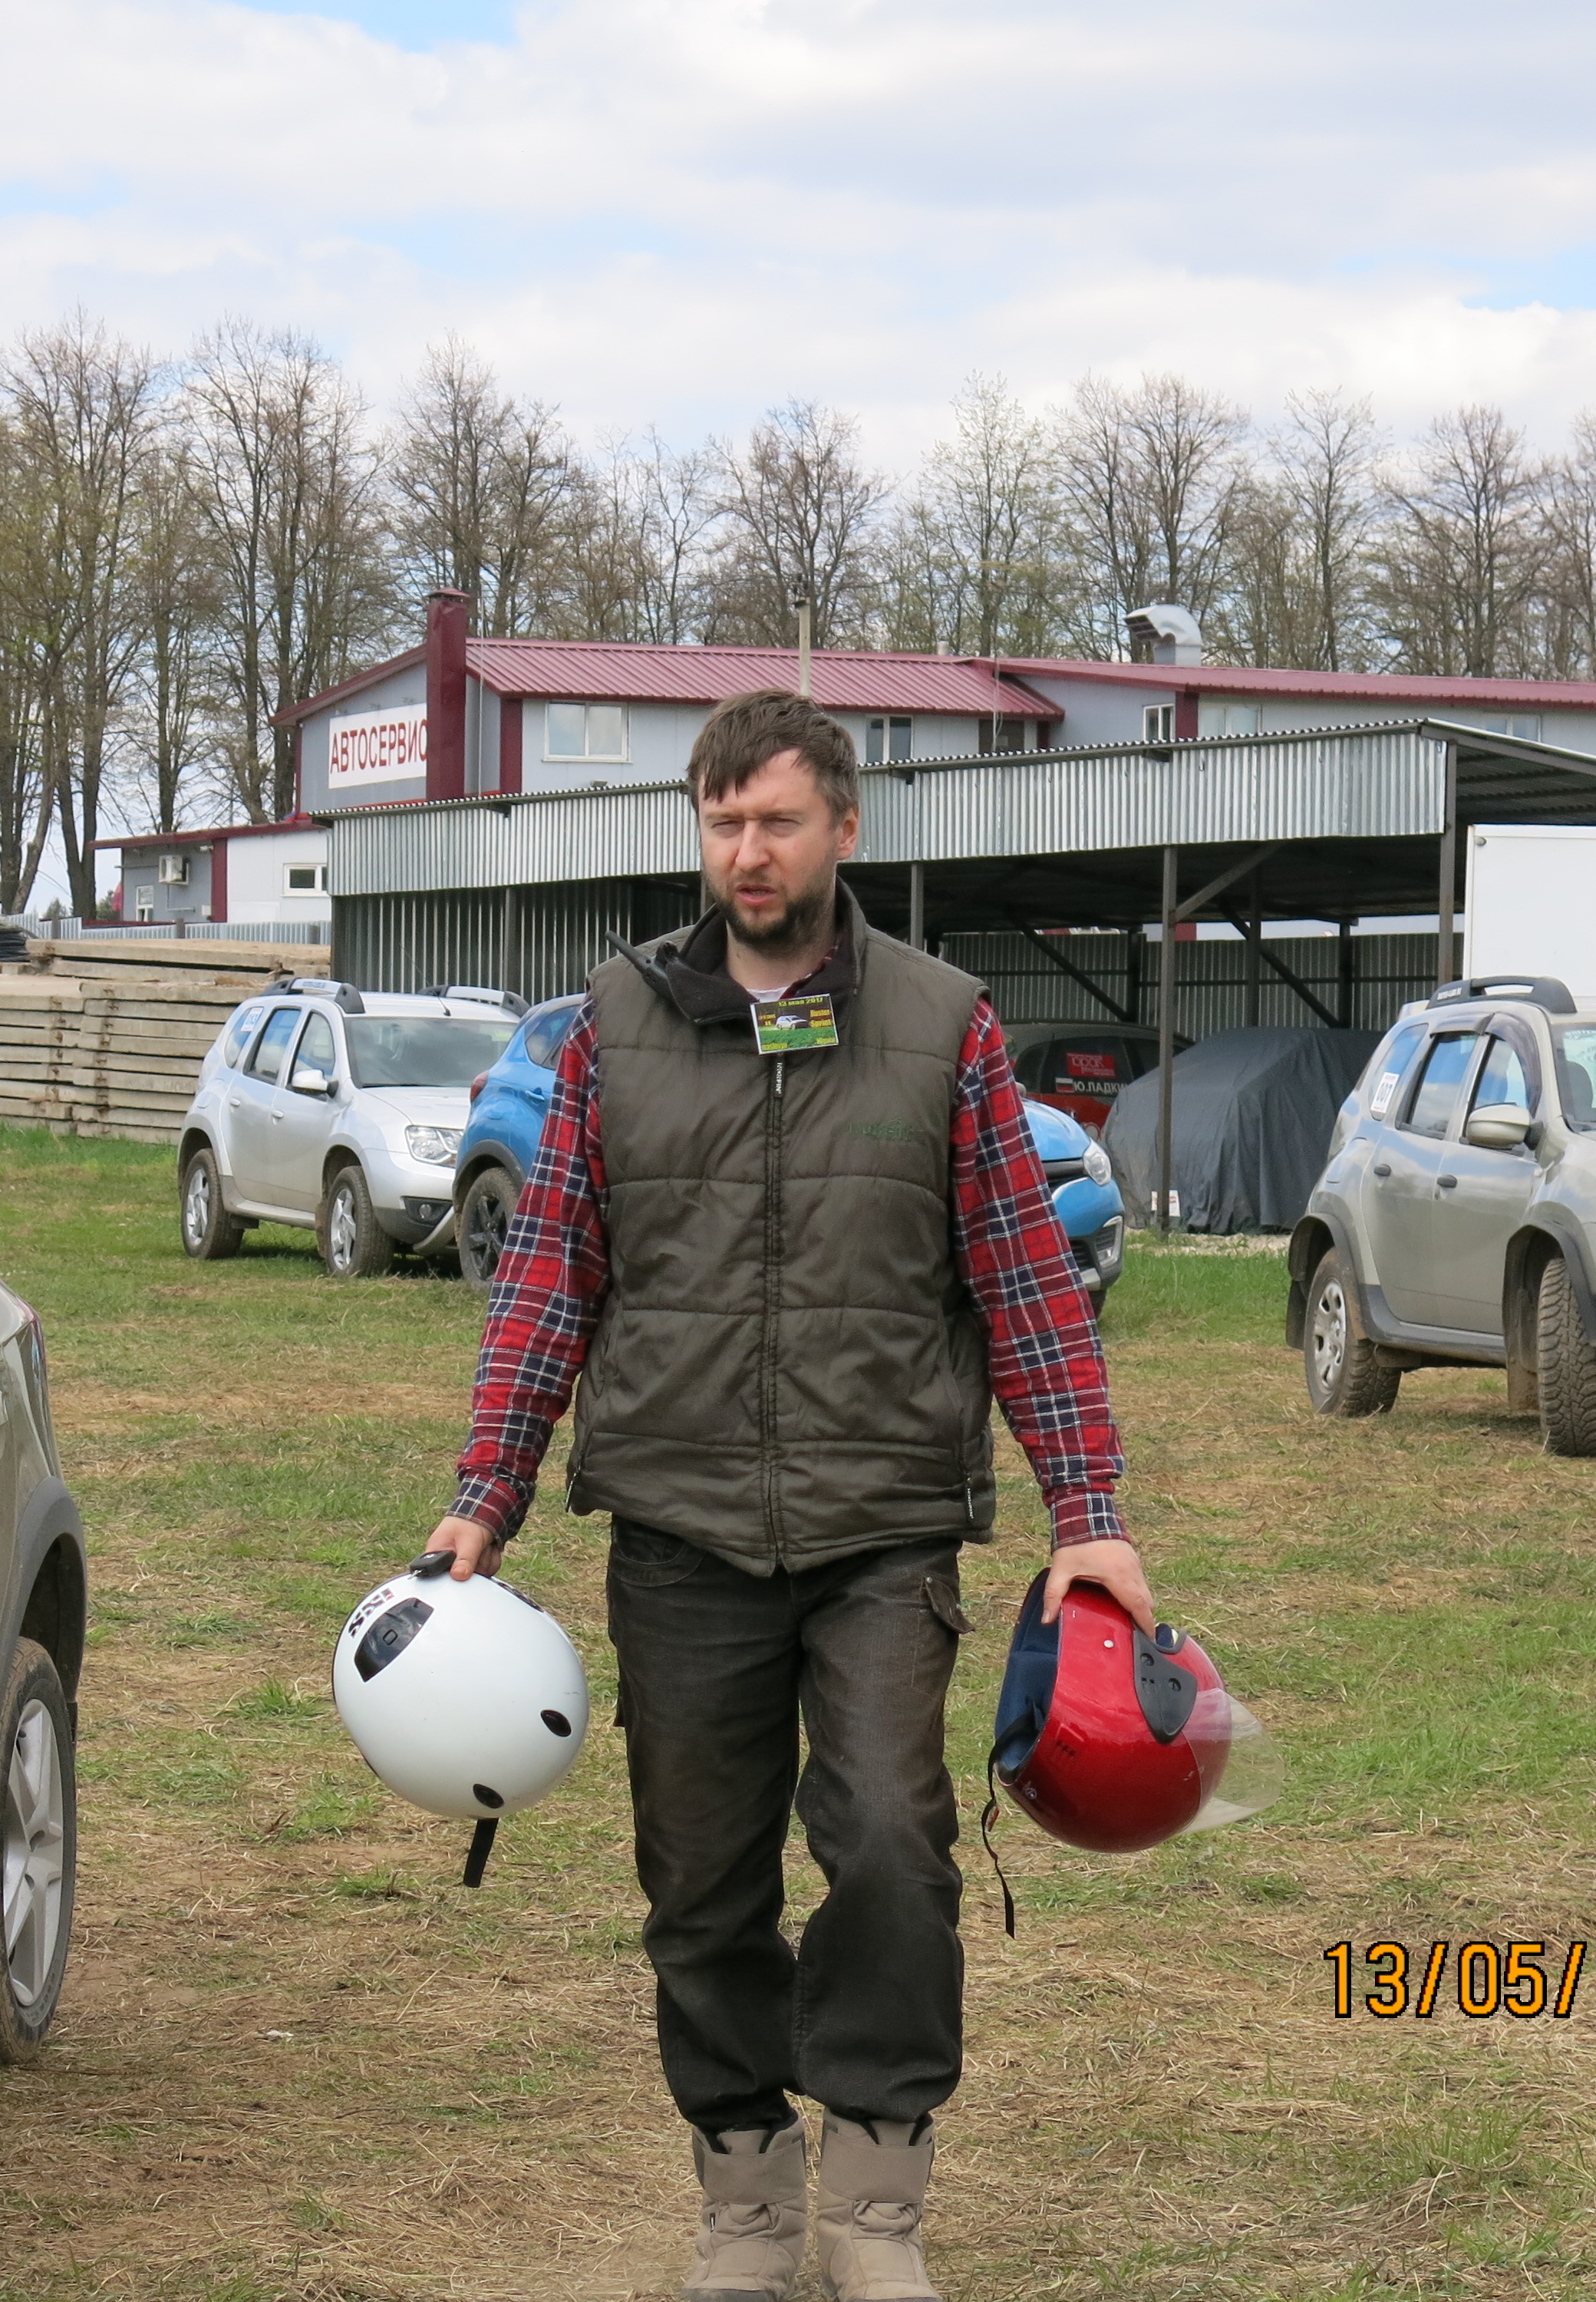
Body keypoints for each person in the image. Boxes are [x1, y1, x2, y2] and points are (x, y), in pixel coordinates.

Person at [418, 689, 1152, 2302]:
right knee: (699, 1880)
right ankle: (745, 2194)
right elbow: (550, 1278)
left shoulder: (943, 1024)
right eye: (723, 822)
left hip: (880, 1521)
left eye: (778, 821)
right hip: (679, 1526)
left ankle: (874, 2200)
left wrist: (1086, 1513)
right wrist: (487, 1490)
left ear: (843, 828)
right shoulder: (614, 1026)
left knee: (889, 1840)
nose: (748, 852)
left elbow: (1025, 1286)